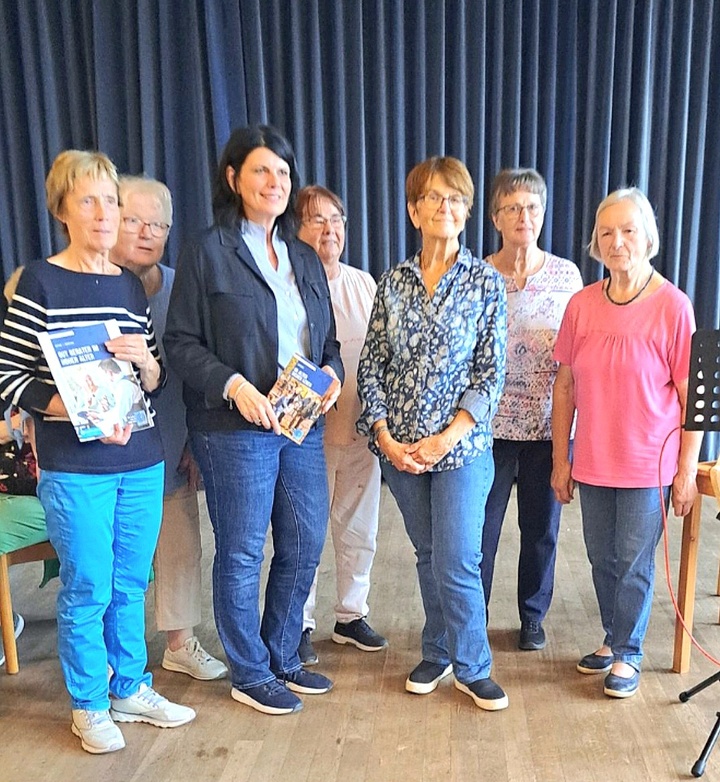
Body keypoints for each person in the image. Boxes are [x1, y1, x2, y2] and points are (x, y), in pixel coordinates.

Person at [0, 150, 195, 753]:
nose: (106, 213)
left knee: (132, 582)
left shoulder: (129, 285)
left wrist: (145, 361)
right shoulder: (39, 281)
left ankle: (130, 686)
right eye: (90, 200)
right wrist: (76, 411)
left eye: (111, 200)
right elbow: (10, 380)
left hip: (141, 459)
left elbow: (155, 378)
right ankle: (89, 702)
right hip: (76, 465)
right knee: (88, 586)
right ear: (63, 210)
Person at [165, 125, 343, 716]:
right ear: (233, 178)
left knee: (305, 538)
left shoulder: (302, 255)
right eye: (262, 171)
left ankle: (282, 653)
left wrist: (332, 374)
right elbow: (182, 344)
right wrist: (235, 385)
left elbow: (329, 341)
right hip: (233, 428)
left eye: (284, 174)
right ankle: (248, 670)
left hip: (300, 423)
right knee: (242, 551)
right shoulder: (207, 251)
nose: (275, 182)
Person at [357, 156, 509, 711]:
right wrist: (385, 435)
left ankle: (472, 666)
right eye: (434, 198)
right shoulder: (393, 282)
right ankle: (438, 648)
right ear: (413, 209)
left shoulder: (486, 282)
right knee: (427, 553)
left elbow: (491, 372)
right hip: (401, 451)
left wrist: (448, 436)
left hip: (462, 448)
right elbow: (371, 365)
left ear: (467, 213)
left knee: (456, 559)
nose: (445, 207)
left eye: (456, 200)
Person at [551, 187, 702, 699]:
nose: (617, 242)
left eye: (629, 230)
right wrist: (559, 459)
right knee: (602, 559)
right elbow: (566, 386)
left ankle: (628, 653)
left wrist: (686, 471)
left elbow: (696, 401)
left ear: (648, 237)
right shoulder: (581, 305)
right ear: (597, 241)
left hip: (648, 466)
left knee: (634, 563)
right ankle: (615, 639)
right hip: (593, 460)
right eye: (607, 232)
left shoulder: (676, 306)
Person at [109, 175, 227, 681]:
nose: (147, 233)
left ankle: (179, 642)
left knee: (181, 545)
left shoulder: (184, 287)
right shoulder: (89, 288)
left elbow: (205, 370)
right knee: (115, 557)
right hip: (107, 453)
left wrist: (199, 444)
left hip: (174, 442)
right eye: (134, 220)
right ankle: (116, 657)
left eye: (159, 224)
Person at [481, 169, 583, 651]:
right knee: (479, 531)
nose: (524, 216)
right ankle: (470, 616)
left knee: (540, 532)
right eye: (513, 208)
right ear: (496, 217)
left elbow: (577, 360)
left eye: (532, 208)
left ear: (543, 214)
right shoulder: (478, 274)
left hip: (548, 428)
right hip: (487, 429)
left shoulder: (569, 276)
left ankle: (532, 618)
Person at [295, 185, 386, 666]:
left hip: (361, 429)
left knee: (359, 527)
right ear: (296, 229)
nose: (329, 230)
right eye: (316, 221)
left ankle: (351, 614)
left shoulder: (363, 283)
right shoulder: (286, 283)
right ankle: (299, 622)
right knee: (304, 532)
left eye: (336, 220)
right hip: (306, 436)